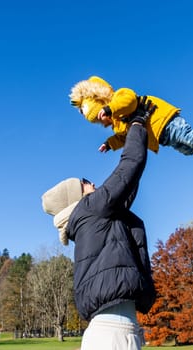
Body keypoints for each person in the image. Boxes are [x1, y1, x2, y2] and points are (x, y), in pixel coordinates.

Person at [41, 98, 157, 350]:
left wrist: (130, 132)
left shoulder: (91, 218)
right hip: (113, 335)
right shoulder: (91, 209)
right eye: (84, 181)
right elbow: (130, 166)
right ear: (75, 196)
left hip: (111, 332)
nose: (91, 182)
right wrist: (138, 121)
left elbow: (127, 186)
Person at [69, 75, 193, 168]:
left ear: (103, 102)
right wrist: (109, 144)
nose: (105, 118)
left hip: (164, 120)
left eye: (102, 113)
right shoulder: (118, 124)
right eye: (101, 119)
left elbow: (129, 101)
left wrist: (110, 109)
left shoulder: (119, 97)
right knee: (187, 150)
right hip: (162, 136)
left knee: (191, 138)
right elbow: (124, 137)